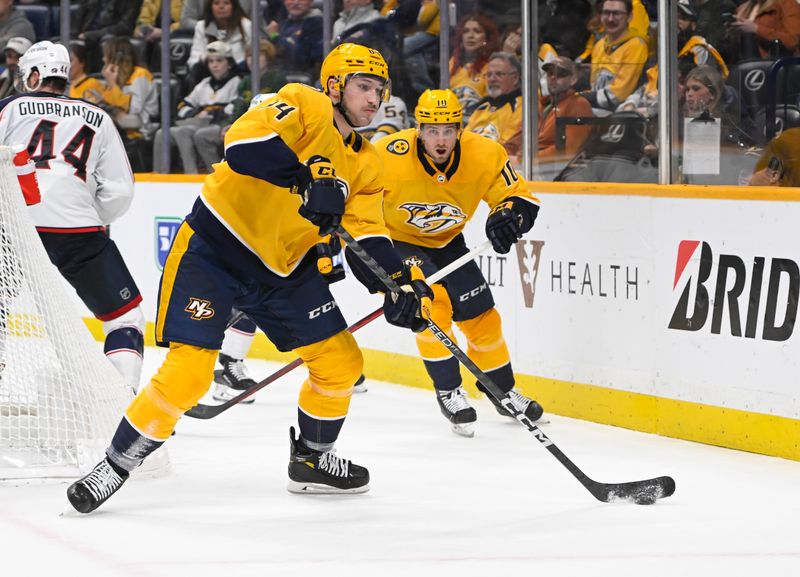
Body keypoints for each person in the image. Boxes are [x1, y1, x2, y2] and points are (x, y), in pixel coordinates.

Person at [66, 43, 432, 514]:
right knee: (190, 373)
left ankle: (312, 460)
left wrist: (398, 283)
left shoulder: (367, 163)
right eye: (364, 86)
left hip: (284, 269)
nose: (374, 99)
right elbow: (241, 145)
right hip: (214, 250)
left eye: (380, 90)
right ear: (336, 85)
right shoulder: (304, 102)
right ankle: (114, 465)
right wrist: (303, 177)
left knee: (340, 363)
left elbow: (369, 237)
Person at [374, 89, 543, 438]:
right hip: (400, 242)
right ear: (418, 129)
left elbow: (519, 196)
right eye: (432, 130)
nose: (440, 139)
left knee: (482, 316)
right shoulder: (387, 155)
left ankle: (501, 390)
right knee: (431, 306)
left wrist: (508, 215)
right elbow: (356, 197)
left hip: (450, 242)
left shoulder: (484, 154)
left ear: (460, 129)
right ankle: (449, 389)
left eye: (448, 130)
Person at [0, 41, 145, 392]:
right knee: (125, 318)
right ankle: (123, 405)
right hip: (78, 231)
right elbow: (120, 191)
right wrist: (83, 212)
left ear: (35, 75)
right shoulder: (99, 117)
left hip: (14, 228)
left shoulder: (10, 107)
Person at [154, 40, 241, 173]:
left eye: (219, 60)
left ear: (229, 63)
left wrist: (208, 112)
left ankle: (192, 174)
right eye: (211, 61)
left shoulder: (236, 82)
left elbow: (234, 109)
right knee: (162, 133)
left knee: (181, 132)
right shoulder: (204, 84)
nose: (214, 65)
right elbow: (183, 106)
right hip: (197, 123)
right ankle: (159, 174)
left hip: (219, 125)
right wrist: (195, 113)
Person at [580, 0, 648, 115]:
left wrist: (582, 97)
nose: (610, 19)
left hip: (623, 116)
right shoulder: (599, 46)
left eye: (616, 13)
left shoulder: (636, 45)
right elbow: (594, 88)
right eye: (606, 13)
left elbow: (619, 95)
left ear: (629, 17)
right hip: (597, 112)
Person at [464, 52, 523, 159]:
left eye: (499, 74)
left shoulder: (522, 105)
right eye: (489, 74)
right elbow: (464, 139)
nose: (492, 79)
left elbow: (509, 147)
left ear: (515, 78)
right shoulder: (482, 106)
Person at [536, 55, 593, 160]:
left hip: (552, 170)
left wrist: (527, 159)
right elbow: (517, 140)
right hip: (527, 164)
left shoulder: (579, 105)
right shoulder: (541, 104)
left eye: (560, 74)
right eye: (550, 73)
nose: (553, 78)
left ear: (573, 79)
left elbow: (567, 151)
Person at [448, 13, 500, 121]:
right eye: (466, 31)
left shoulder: (492, 66)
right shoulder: (453, 63)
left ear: (486, 37)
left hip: (480, 121)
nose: (470, 36)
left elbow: (494, 103)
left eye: (477, 31)